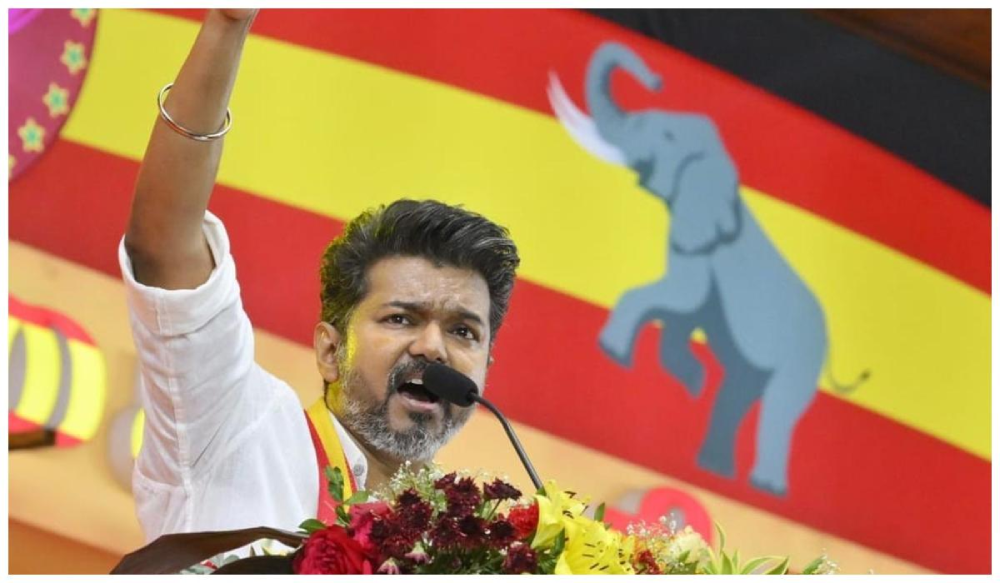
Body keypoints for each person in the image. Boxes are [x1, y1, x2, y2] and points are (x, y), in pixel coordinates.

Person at [120, 8, 519, 542]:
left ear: (484, 370)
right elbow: (164, 243)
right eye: (401, 318)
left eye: (463, 331)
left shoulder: (470, 549)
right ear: (331, 350)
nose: (432, 347)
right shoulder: (237, 429)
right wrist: (227, 24)